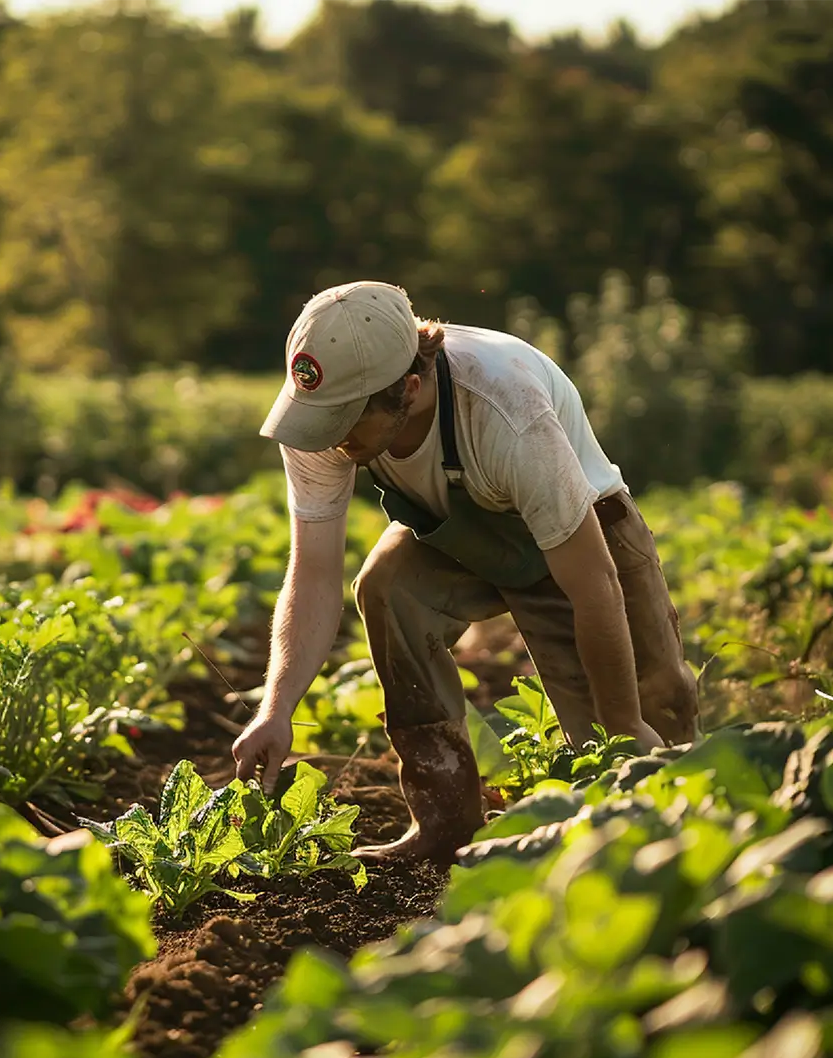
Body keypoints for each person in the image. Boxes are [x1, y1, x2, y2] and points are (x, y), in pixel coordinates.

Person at [232, 280, 699, 865]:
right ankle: (446, 819)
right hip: (457, 526)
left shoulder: (506, 410)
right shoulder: (322, 418)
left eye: (346, 423)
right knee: (385, 587)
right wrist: (275, 710)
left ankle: (688, 840)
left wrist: (624, 720)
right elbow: (314, 574)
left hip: (587, 534)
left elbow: (593, 584)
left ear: (407, 389)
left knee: (642, 719)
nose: (328, 438)